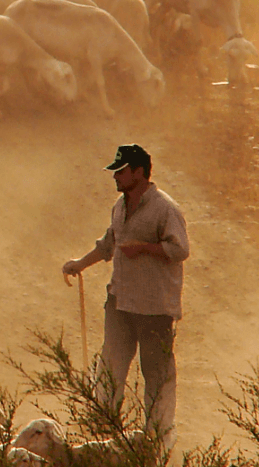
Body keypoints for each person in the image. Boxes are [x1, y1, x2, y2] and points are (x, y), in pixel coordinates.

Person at [62, 143, 190, 448]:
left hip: (154, 308)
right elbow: (109, 243)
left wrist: (144, 248)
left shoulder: (165, 208)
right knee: (109, 369)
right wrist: (80, 263)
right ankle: (101, 434)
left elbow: (180, 249)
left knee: (157, 377)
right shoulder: (120, 207)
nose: (115, 177)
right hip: (120, 302)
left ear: (139, 172)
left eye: (121, 171)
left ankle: (157, 441)